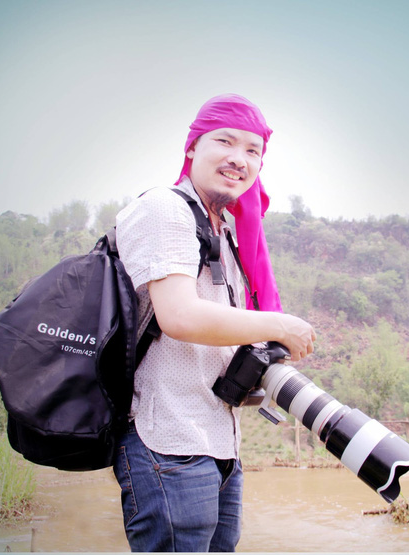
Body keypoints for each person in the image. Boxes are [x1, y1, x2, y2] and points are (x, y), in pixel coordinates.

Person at [113, 93, 316, 552]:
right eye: (225, 141)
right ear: (192, 147)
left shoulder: (222, 231)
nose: (239, 158)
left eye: (252, 150)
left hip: (219, 445)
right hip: (168, 440)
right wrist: (277, 325)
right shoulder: (165, 208)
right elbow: (180, 316)